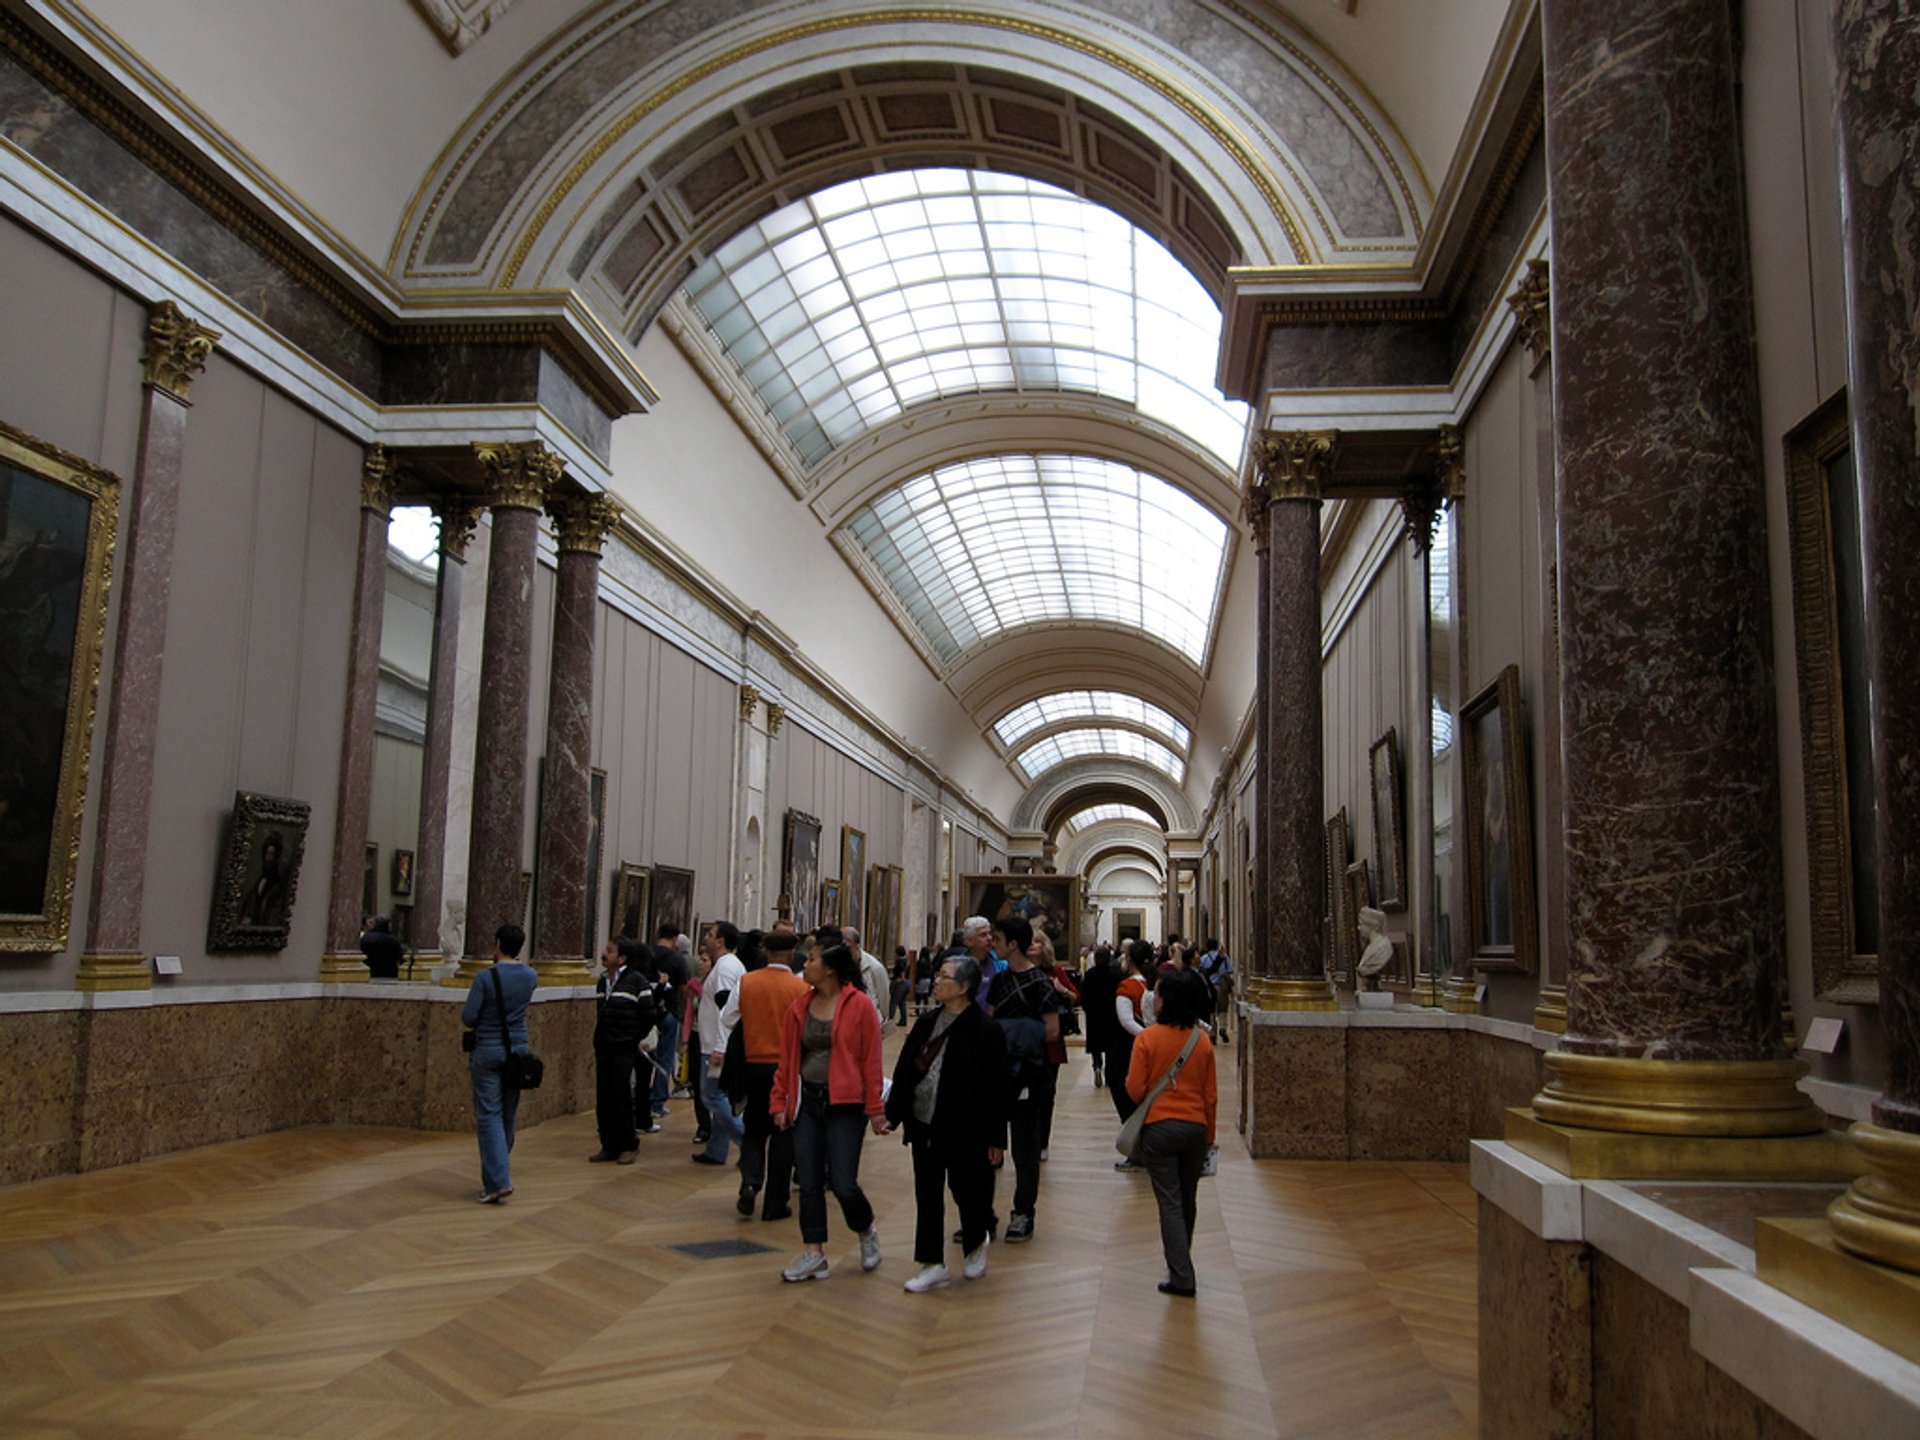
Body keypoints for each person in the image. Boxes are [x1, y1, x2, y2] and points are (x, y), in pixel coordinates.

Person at [887, 953, 1007, 1292]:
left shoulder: (985, 1030)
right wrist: (893, 1115)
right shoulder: (927, 1022)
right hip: (925, 1123)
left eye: (945, 978)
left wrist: (996, 1138)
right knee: (927, 1193)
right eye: (938, 976)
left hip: (967, 1127)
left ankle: (975, 1243)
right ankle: (931, 1262)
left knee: (968, 1192)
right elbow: (906, 1068)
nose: (936, 982)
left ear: (964, 987)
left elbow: (997, 1089)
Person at [770, 939, 889, 1281]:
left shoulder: (860, 1006)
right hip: (808, 1101)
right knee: (808, 1181)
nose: (805, 964)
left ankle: (865, 1228)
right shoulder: (800, 1007)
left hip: (845, 1105)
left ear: (831, 968)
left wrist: (875, 1108)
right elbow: (788, 1059)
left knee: (843, 1182)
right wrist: (780, 1102)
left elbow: (871, 1061)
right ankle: (814, 1252)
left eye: (812, 960)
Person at [1127, 969, 1218, 1297]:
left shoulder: (1147, 1039)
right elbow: (1210, 1094)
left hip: (1160, 1128)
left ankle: (1182, 1275)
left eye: (1159, 994)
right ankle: (1182, 1262)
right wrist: (1209, 1136)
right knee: (1187, 1199)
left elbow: (1135, 1090)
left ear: (1167, 1001)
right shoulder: (1202, 1040)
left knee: (1169, 1201)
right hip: (1195, 1128)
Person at [721, 927, 809, 1221]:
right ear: (792, 954)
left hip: (753, 1064)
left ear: (764, 953)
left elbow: (728, 1017)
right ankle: (775, 1203)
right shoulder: (802, 988)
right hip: (787, 1067)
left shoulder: (748, 981)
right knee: (783, 1134)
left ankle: (750, 1182)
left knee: (754, 1129)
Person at [984, 914, 1061, 1244]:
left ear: (1012, 944)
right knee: (988, 1143)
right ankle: (982, 1213)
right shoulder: (1000, 982)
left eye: (998, 939)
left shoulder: (1041, 983)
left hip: (1029, 1072)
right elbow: (990, 1020)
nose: (993, 944)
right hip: (998, 1072)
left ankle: (1023, 1211)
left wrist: (1012, 1036)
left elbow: (1052, 1029)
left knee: (1025, 1148)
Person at [460, 923, 537, 1204]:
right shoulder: (530, 976)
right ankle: (496, 1174)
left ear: (497, 943)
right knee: (506, 1114)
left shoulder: (485, 978)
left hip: (488, 1050)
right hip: (517, 1051)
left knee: (489, 1115)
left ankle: (499, 1180)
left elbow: (469, 1017)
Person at [589, 935, 661, 1165]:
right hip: (604, 1045)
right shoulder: (603, 981)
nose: (604, 954)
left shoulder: (637, 981)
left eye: (609, 951)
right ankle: (608, 1144)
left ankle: (628, 1144)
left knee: (620, 1096)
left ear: (621, 958)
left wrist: (633, 1037)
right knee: (604, 1097)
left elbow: (649, 1014)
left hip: (624, 1047)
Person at [693, 922, 747, 1167]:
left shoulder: (725, 968)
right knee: (719, 1095)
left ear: (721, 941)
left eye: (710, 935)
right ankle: (716, 1150)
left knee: (712, 1096)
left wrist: (720, 1048)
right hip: (715, 1042)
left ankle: (748, 1143)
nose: (706, 938)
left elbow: (727, 1011)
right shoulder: (727, 965)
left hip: (717, 1045)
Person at [1108, 940, 1154, 1170]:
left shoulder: (1127, 987)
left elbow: (1125, 1020)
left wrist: (1147, 1038)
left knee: (1126, 1096)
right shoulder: (1155, 984)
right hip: (1151, 1048)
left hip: (1129, 1049)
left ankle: (1137, 1151)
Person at [649, 921, 689, 1121]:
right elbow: (683, 989)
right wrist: (683, 1012)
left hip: (648, 1011)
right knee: (665, 1057)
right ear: (675, 939)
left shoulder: (648, 955)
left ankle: (642, 1099)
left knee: (646, 1058)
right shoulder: (676, 959)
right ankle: (657, 1102)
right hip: (669, 1012)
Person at [1079, 945, 1119, 1089]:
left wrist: (1087, 1009)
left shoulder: (1090, 974)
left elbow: (1084, 995)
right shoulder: (1115, 974)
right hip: (1111, 1014)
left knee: (1096, 1045)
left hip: (1094, 1014)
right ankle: (1109, 1075)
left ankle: (1096, 1066)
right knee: (1110, 1047)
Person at [842, 925, 891, 1029]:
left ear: (853, 944)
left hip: (869, 1021)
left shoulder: (875, 967)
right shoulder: (839, 965)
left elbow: (884, 999)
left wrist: (880, 1019)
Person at [358, 914, 402, 980]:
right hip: (390, 973)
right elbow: (400, 956)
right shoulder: (394, 940)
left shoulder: (366, 938)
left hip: (370, 971)